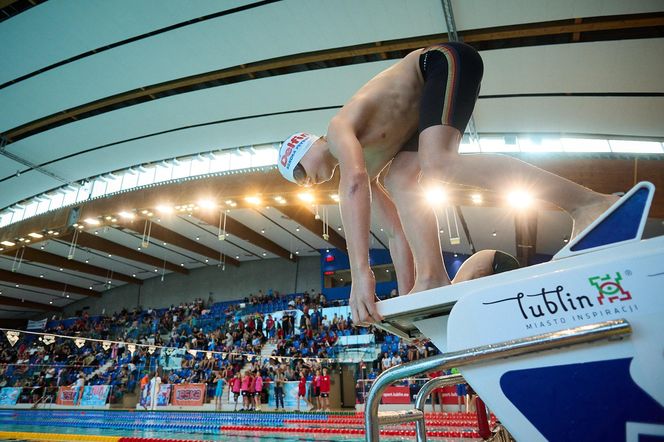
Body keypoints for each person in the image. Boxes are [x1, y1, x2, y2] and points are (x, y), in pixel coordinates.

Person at [277, 42, 617, 324]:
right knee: (401, 180)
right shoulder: (368, 163)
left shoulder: (338, 131)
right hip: (426, 102)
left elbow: (352, 186)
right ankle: (433, 277)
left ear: (305, 147)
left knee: (437, 164)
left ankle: (588, 202)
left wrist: (360, 275)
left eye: (301, 174)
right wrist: (410, 294)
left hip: (439, 64)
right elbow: (395, 231)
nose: (307, 184)